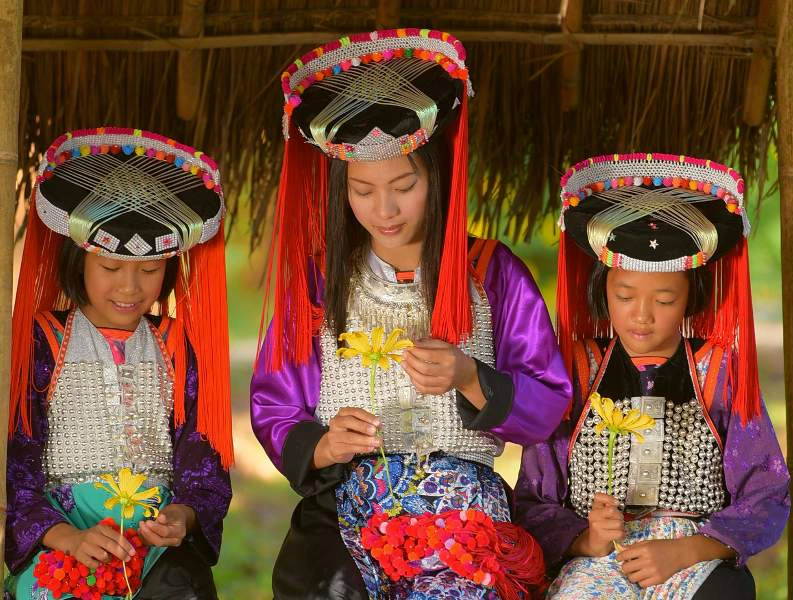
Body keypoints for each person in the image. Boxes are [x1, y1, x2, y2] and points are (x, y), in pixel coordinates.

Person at [250, 29, 571, 599]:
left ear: (438, 175)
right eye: (362, 191)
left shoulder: (492, 273)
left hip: (462, 509)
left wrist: (471, 377)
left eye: (403, 185)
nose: (385, 210)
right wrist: (323, 445)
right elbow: (276, 402)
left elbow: (548, 404)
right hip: (347, 508)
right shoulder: (320, 283)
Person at [514, 152, 790, 598]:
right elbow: (532, 498)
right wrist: (587, 538)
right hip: (598, 562)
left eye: (663, 300)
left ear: (690, 299)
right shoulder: (576, 371)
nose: (642, 316)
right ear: (601, 291)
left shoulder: (720, 371)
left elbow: (765, 491)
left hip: (692, 558)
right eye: (625, 295)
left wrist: (689, 550)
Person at [7, 127, 234, 600]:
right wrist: (65, 537)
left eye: (150, 270)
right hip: (64, 543)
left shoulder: (177, 345)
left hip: (155, 555)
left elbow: (201, 452)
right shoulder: (42, 341)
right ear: (78, 259)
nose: (131, 288)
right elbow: (17, 461)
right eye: (111, 268)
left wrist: (185, 515)